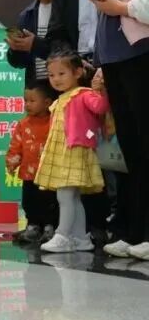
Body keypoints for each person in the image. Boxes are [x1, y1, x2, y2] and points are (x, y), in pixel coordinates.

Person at [85, 0, 149, 259]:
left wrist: (122, 7)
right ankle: (135, 230)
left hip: (140, 56)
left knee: (144, 144)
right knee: (132, 150)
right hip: (118, 61)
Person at [34, 52, 107, 253]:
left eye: (61, 73)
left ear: (77, 73)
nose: (56, 79)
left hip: (75, 150)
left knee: (65, 196)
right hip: (63, 152)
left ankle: (63, 235)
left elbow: (100, 107)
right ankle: (80, 238)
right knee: (72, 197)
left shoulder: (83, 94)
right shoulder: (61, 99)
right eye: (51, 75)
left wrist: (100, 90)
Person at [5, 81, 57, 244]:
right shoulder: (23, 124)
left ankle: (50, 228)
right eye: (25, 100)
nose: (27, 104)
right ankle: (33, 227)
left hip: (50, 175)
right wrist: (12, 160)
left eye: (32, 101)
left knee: (50, 201)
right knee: (29, 201)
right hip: (29, 174)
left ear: (47, 103)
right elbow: (16, 145)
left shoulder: (54, 122)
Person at [7, 0, 63, 86]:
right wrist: (15, 49)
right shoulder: (27, 15)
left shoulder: (70, 7)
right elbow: (20, 63)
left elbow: (69, 52)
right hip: (38, 89)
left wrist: (35, 45)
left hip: (69, 87)